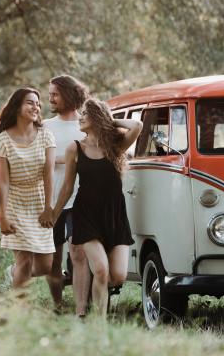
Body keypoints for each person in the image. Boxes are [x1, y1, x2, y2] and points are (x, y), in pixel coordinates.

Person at [51, 98, 143, 317]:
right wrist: (54, 216)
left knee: (117, 276)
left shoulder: (116, 145)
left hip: (114, 215)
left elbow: (137, 126)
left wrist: (108, 120)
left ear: (98, 117)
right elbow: (67, 187)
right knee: (101, 270)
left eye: (86, 113)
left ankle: (94, 295)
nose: (80, 117)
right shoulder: (75, 147)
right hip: (86, 214)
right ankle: (98, 325)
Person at [0, 88, 56, 300]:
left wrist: (49, 208)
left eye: (38, 104)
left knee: (45, 266)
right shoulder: (3, 139)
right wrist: (2, 215)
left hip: (39, 203)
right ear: (17, 106)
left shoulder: (46, 135)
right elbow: (3, 181)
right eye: (30, 102)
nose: (36, 107)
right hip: (15, 204)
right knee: (25, 261)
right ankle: (20, 312)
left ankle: (13, 273)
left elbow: (49, 174)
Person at [42, 75, 91, 316]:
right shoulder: (44, 126)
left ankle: (81, 310)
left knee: (79, 253)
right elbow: (31, 160)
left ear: (69, 96)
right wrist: (57, 159)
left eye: (55, 94)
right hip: (50, 202)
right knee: (53, 259)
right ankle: (58, 307)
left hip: (80, 201)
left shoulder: (86, 126)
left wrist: (69, 159)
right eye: (50, 94)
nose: (49, 98)